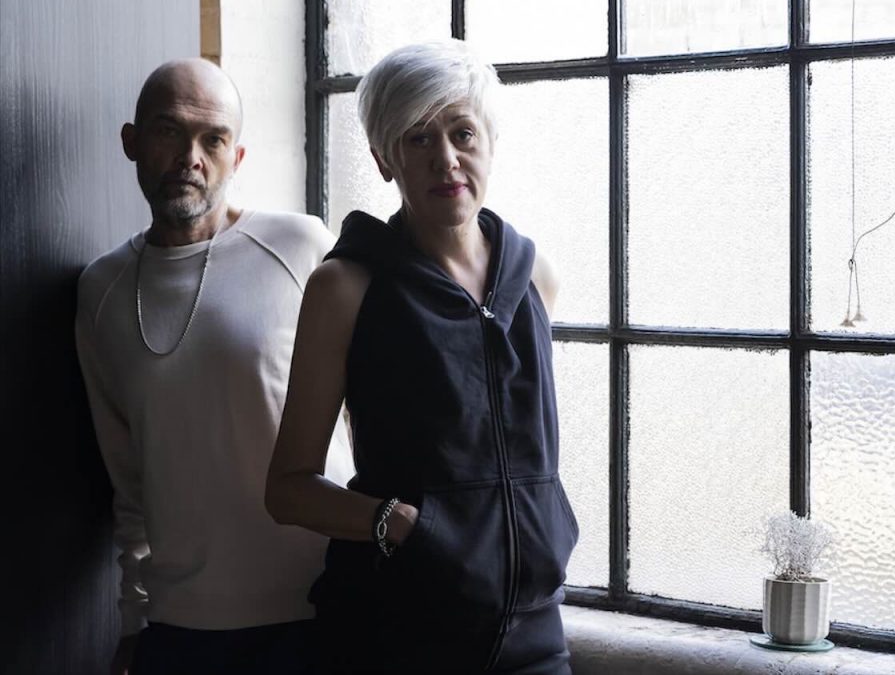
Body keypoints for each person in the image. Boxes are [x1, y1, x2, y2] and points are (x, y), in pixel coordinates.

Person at [265, 39, 578, 674]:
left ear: (490, 142)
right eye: (418, 138)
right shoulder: (347, 287)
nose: (446, 159)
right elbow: (288, 490)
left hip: (535, 639)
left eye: (463, 133)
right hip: (397, 638)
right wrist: (398, 523)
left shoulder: (535, 278)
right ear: (385, 159)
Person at [75, 58, 351, 675]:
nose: (189, 157)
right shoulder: (102, 290)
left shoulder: (301, 246)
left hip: (322, 607)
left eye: (213, 139)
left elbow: (377, 408)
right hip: (181, 627)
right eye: (169, 131)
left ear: (237, 156)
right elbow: (128, 479)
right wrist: (132, 619)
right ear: (132, 141)